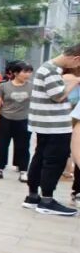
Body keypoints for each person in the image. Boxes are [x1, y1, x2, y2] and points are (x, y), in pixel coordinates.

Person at [24, 46, 80, 216]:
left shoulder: (49, 68)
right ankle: (47, 201)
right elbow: (58, 96)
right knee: (54, 161)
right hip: (54, 125)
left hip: (46, 123)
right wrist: (75, 82)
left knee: (40, 158)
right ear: (76, 58)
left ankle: (33, 197)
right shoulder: (51, 70)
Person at [0, 60, 33, 181]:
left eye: (30, 72)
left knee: (23, 146)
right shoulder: (3, 86)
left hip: (24, 120)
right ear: (16, 73)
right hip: (5, 119)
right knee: (2, 145)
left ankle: (23, 171)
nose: (28, 74)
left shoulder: (32, 87)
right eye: (25, 72)